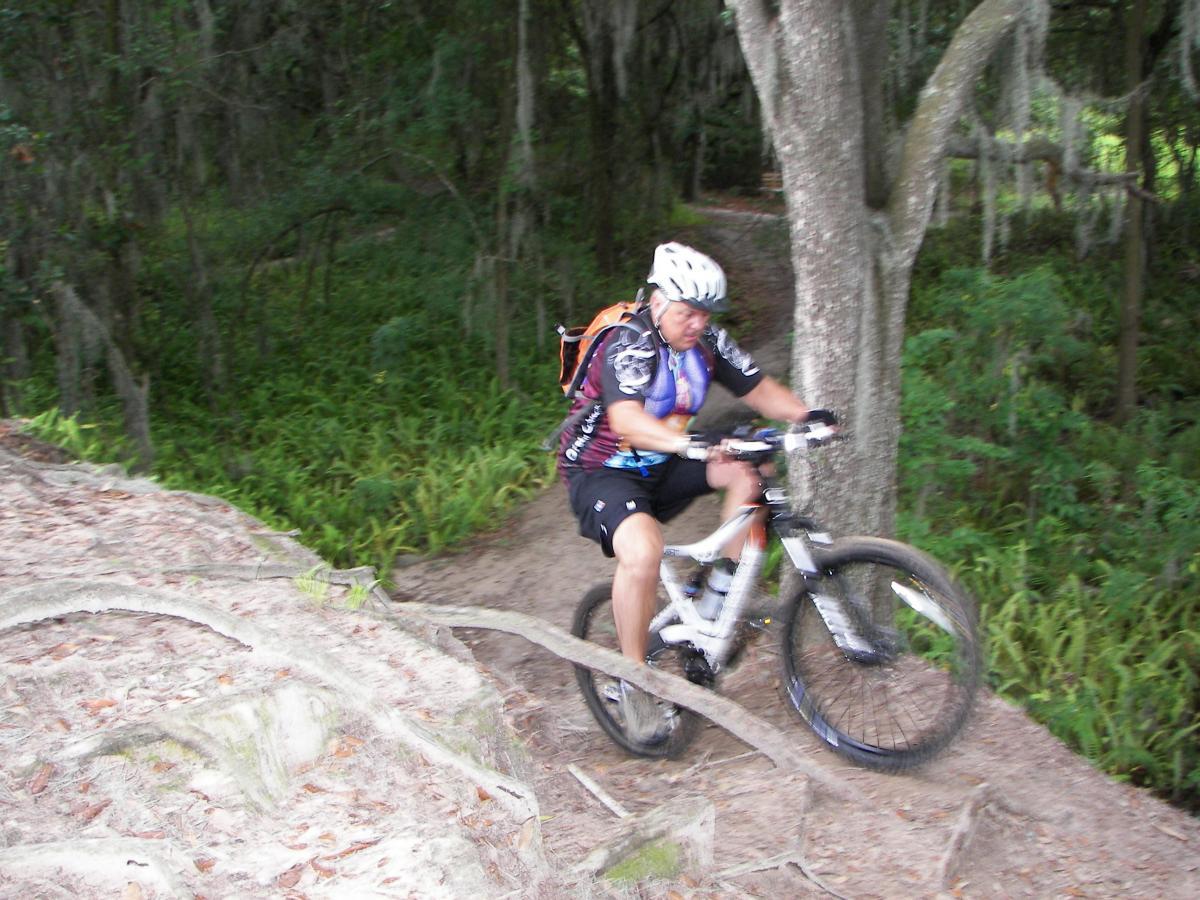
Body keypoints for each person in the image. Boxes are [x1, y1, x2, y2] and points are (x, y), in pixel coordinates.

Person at [558, 241, 810, 743]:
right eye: (687, 312)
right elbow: (626, 418)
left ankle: (716, 605)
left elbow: (759, 388)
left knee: (748, 473)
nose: (697, 323)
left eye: (705, 313)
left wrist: (806, 416)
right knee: (644, 548)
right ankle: (634, 682)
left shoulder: (709, 342)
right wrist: (687, 442)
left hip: (666, 461)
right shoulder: (630, 343)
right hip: (601, 470)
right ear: (658, 301)